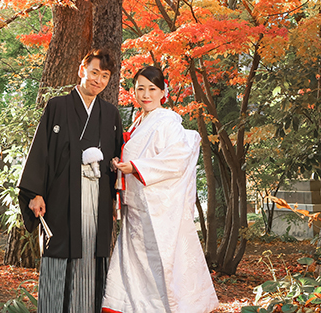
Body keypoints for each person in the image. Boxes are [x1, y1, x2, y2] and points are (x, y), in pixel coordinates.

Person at [102, 65, 219, 313]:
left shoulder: (167, 122)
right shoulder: (138, 123)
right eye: (140, 88)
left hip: (157, 211)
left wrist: (136, 167)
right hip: (137, 208)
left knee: (157, 268)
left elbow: (177, 159)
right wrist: (121, 164)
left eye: (152, 89)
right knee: (133, 269)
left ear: (163, 92)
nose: (146, 94)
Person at [18, 49, 123, 313]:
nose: (98, 80)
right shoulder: (57, 106)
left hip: (98, 196)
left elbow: (119, 158)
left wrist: (115, 198)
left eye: (105, 76)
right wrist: (36, 193)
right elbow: (41, 151)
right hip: (62, 197)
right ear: (82, 69)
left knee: (92, 255)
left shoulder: (111, 114)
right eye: (94, 72)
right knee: (59, 252)